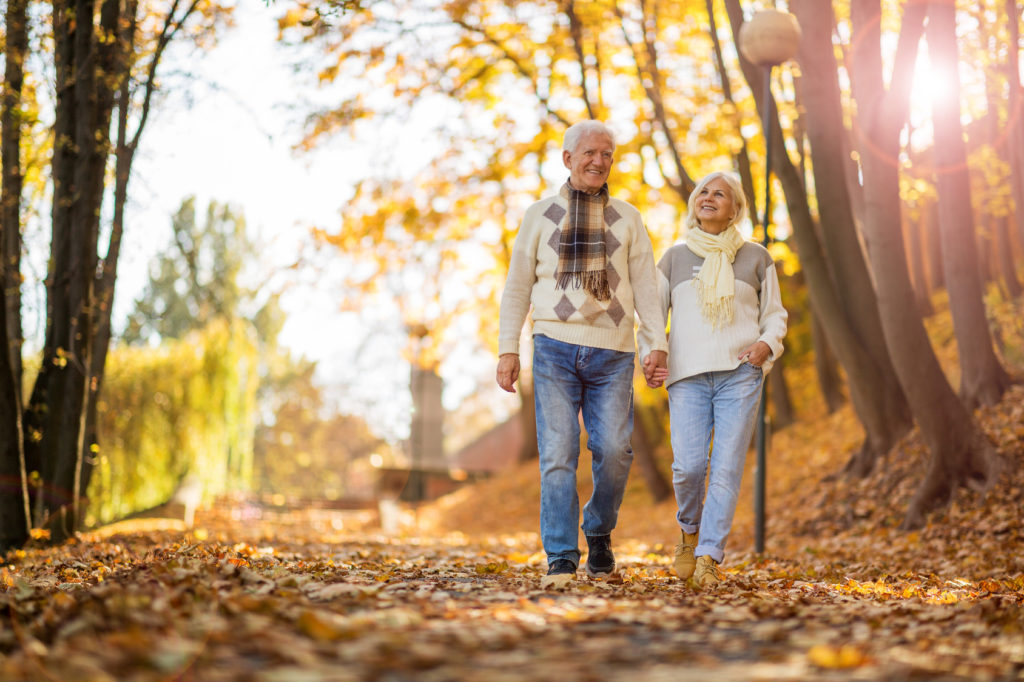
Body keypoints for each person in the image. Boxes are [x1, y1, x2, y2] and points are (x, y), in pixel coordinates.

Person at [496, 120, 668, 588]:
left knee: (614, 451)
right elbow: (517, 287)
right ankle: (561, 558)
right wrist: (507, 349)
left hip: (612, 351)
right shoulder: (540, 215)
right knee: (558, 454)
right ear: (568, 159)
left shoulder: (628, 218)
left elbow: (647, 288)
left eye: (607, 154)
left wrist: (656, 343)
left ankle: (598, 531)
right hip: (552, 346)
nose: (598, 161)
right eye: (589, 152)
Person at [643, 170, 787, 589]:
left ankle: (709, 554)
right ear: (694, 203)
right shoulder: (674, 257)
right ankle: (689, 530)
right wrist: (651, 353)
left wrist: (766, 345)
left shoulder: (756, 257)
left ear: (734, 209)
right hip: (686, 375)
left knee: (725, 469)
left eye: (719, 193)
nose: (708, 197)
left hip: (740, 373)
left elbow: (774, 314)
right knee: (688, 468)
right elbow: (653, 317)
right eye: (703, 191)